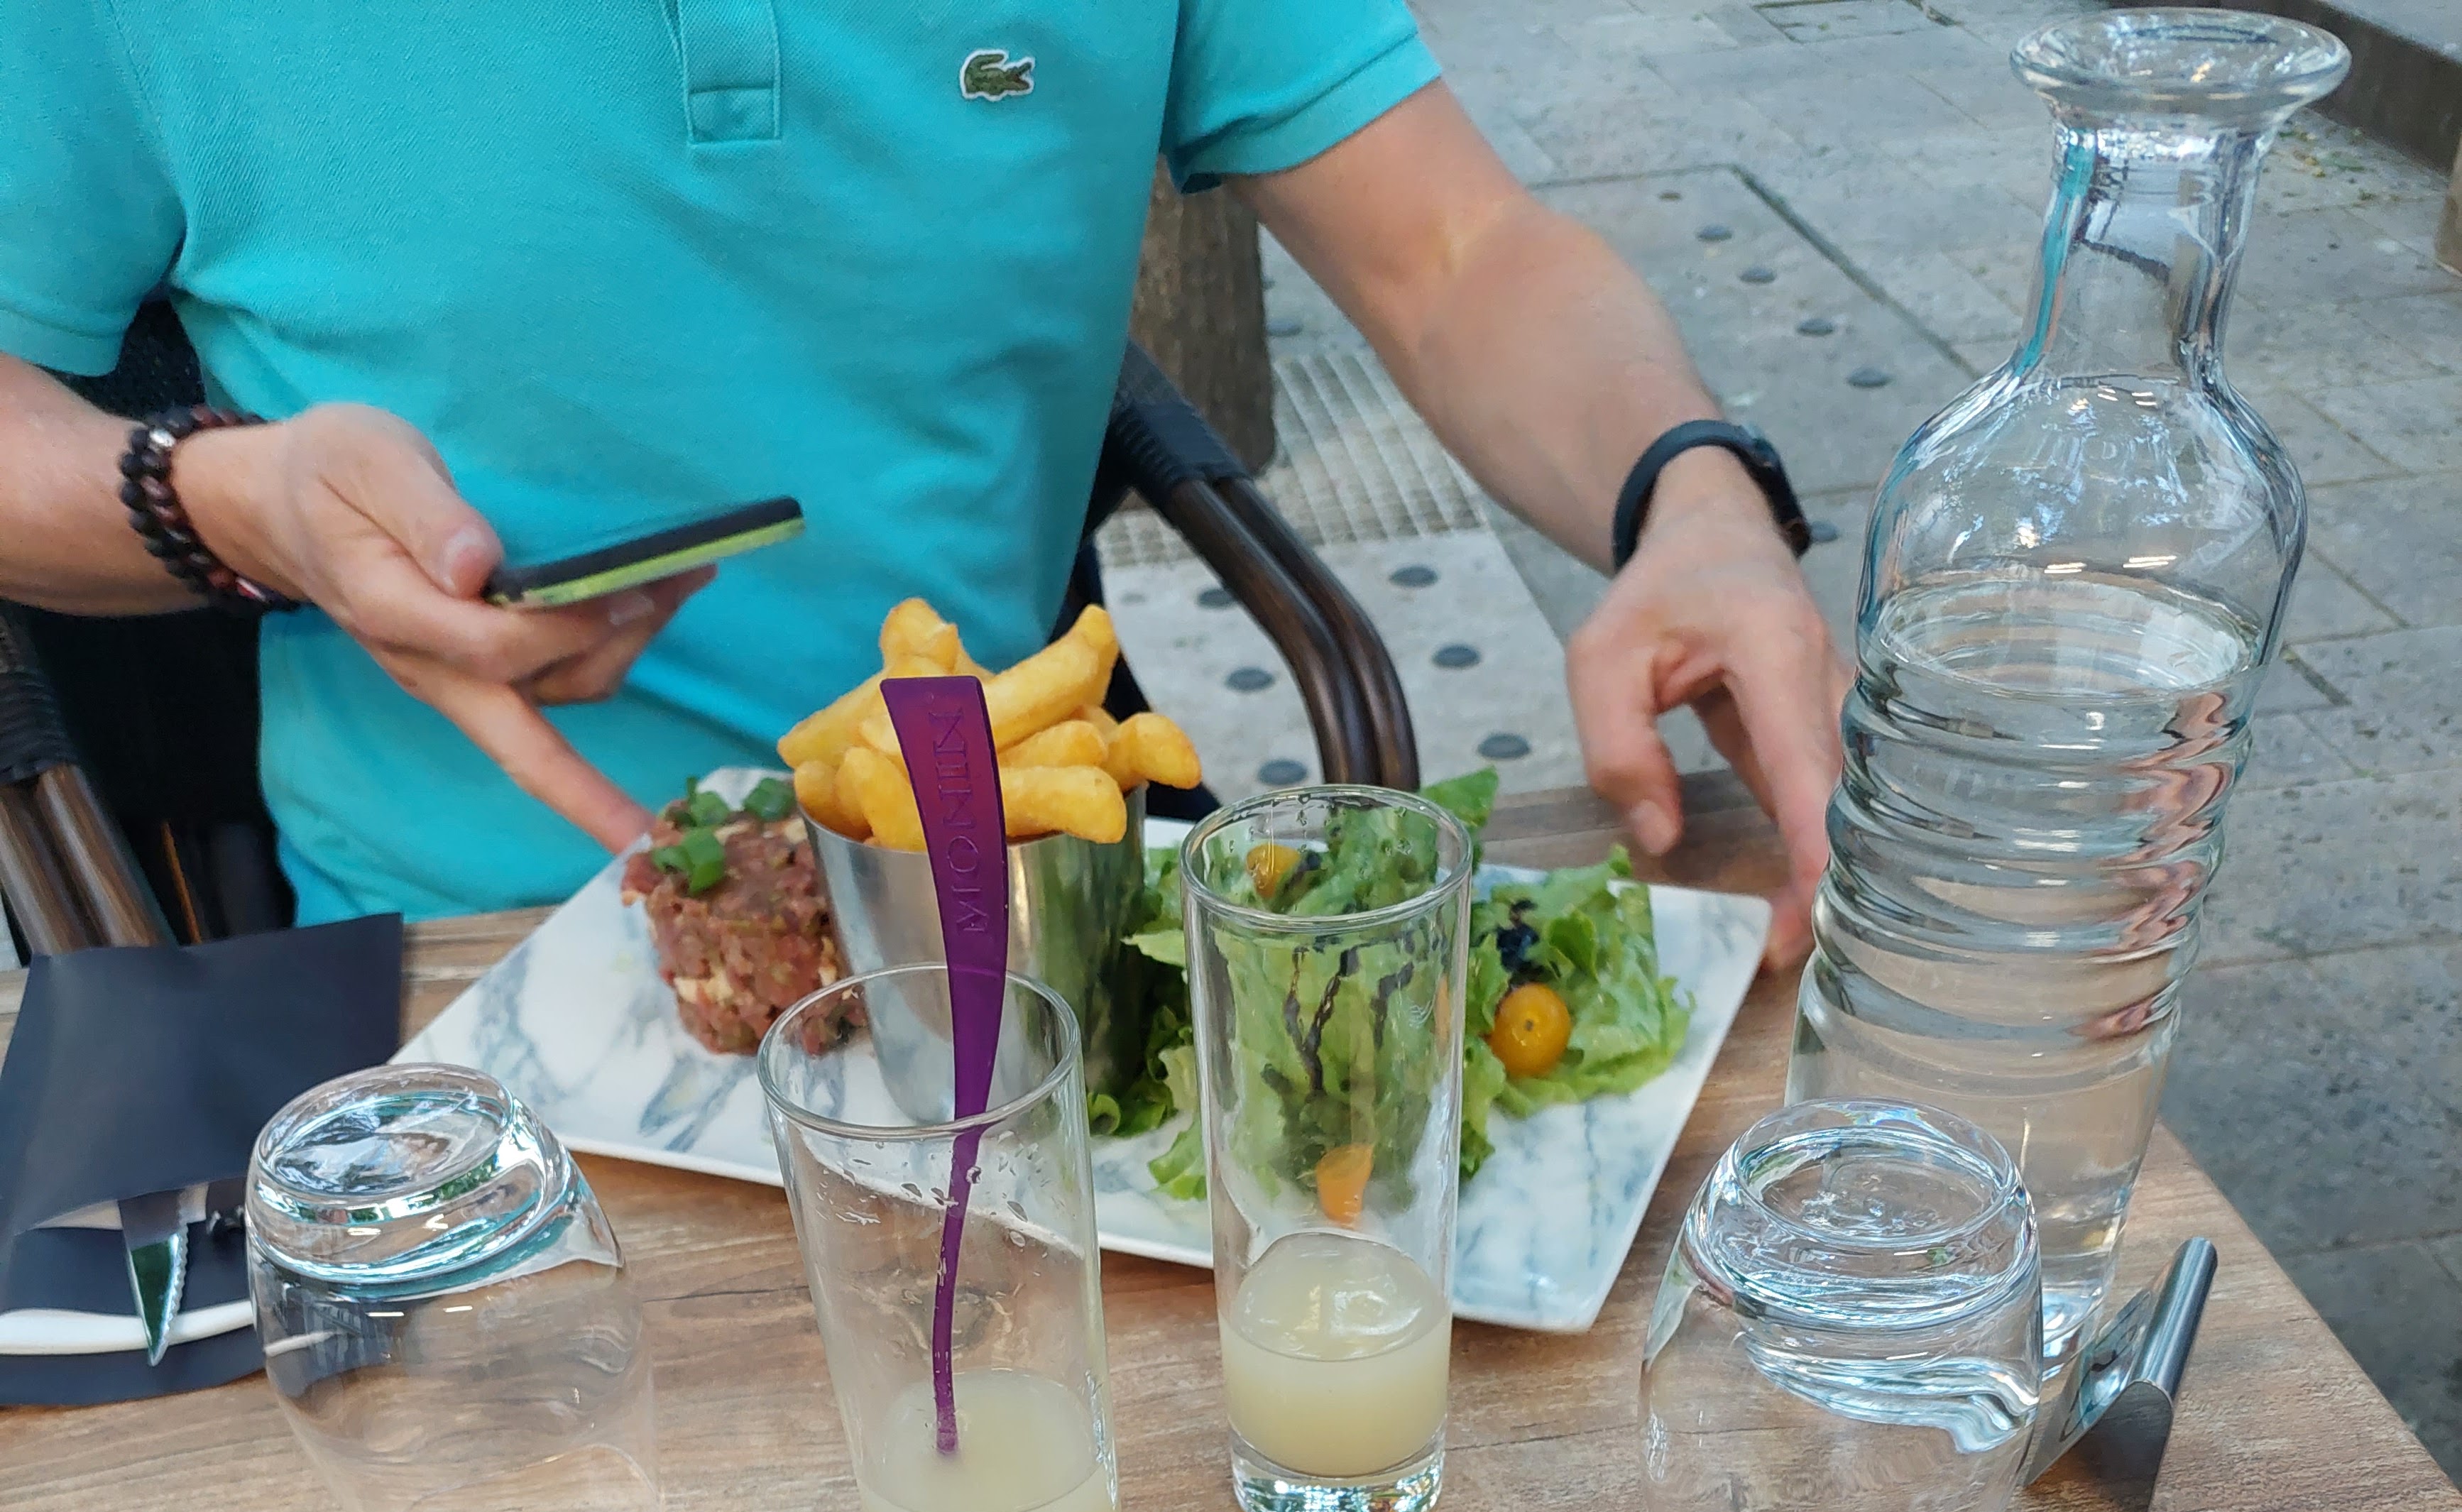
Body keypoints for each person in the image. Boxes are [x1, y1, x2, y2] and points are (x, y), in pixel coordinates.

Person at [0, 9, 1847, 961]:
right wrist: (219, 500)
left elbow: (1456, 250)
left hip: (1036, 914)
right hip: (462, 960)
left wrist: (1691, 494)